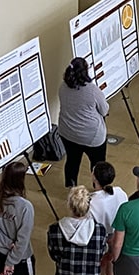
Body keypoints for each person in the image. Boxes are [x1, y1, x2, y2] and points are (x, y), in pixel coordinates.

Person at [88, 162, 128, 275]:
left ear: (94, 178)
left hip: (101, 246)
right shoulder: (120, 193)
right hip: (118, 242)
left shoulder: (91, 202)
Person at [58, 57, 109, 187]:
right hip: (92, 137)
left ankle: (71, 187)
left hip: (67, 133)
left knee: (72, 161)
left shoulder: (63, 87)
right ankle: (97, 186)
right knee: (97, 164)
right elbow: (104, 110)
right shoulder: (92, 90)